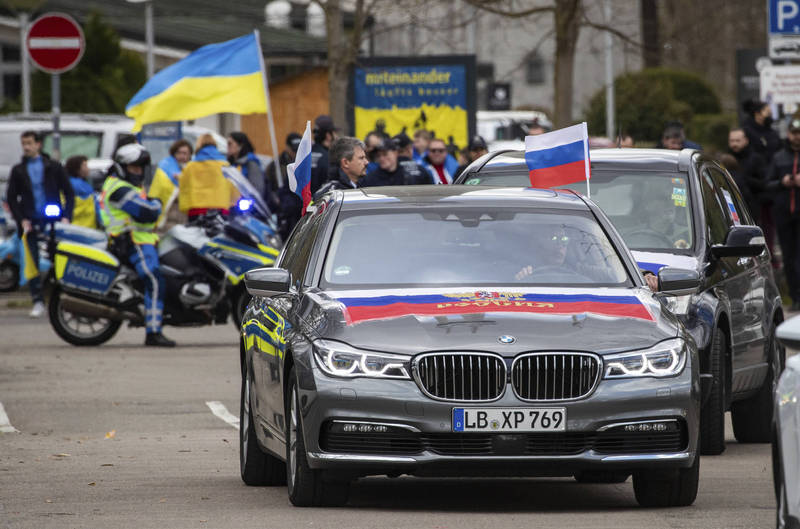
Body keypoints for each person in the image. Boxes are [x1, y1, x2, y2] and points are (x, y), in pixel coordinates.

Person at [98, 144, 174, 347]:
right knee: (155, 279)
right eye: (134, 168)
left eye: (140, 168)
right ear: (123, 167)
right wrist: (156, 203)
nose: (138, 172)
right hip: (132, 241)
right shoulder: (119, 189)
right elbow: (146, 212)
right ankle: (153, 331)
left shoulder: (124, 185)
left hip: (138, 239)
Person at [5, 130, 74, 317]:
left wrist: (66, 215)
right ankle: (37, 299)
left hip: (53, 221)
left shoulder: (53, 167)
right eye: (23, 144)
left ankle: (63, 300)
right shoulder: (18, 170)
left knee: (59, 259)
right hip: (30, 221)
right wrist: (22, 219)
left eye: (29, 143)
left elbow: (68, 191)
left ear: (38, 144)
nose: (26, 147)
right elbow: (12, 197)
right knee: (32, 261)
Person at [767, 114, 800, 310]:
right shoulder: (779, 157)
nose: (796, 137)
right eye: (794, 133)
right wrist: (783, 182)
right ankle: (795, 297)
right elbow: (767, 183)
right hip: (784, 214)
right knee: (788, 257)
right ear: (788, 134)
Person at [179, 134, 239, 221]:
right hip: (220, 209)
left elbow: (184, 188)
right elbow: (233, 188)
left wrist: (184, 209)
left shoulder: (190, 166)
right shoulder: (225, 166)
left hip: (196, 210)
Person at [148, 139, 192, 233]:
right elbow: (160, 189)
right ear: (174, 153)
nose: (182, 156)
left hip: (185, 218)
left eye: (185, 153)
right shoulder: (165, 167)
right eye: (179, 153)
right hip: (168, 218)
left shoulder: (192, 170)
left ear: (190, 155)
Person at [727, 128, 767, 224]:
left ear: (746, 141)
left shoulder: (756, 159)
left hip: (752, 207)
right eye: (732, 141)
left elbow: (763, 183)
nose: (734, 144)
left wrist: (744, 179)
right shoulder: (726, 158)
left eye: (738, 141)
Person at [362, 138, 431, 187]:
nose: (381, 158)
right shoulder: (370, 179)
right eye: (378, 155)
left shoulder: (410, 175)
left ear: (395, 153)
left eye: (385, 154)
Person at [227, 131, 268, 201]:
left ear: (240, 145)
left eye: (230, 144)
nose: (227, 146)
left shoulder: (251, 163)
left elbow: (257, 188)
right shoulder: (230, 164)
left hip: (247, 206)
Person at [65, 155, 99, 229]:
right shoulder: (79, 185)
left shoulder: (69, 182)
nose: (88, 169)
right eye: (85, 166)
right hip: (84, 228)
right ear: (76, 168)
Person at [742, 99, 781, 164]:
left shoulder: (773, 133)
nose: (770, 116)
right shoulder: (747, 132)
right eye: (768, 113)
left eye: (770, 113)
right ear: (757, 114)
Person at [311, 115, 337, 193]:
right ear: (328, 135)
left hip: (300, 204)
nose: (336, 136)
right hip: (320, 203)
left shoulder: (303, 156)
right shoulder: (330, 159)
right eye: (335, 132)